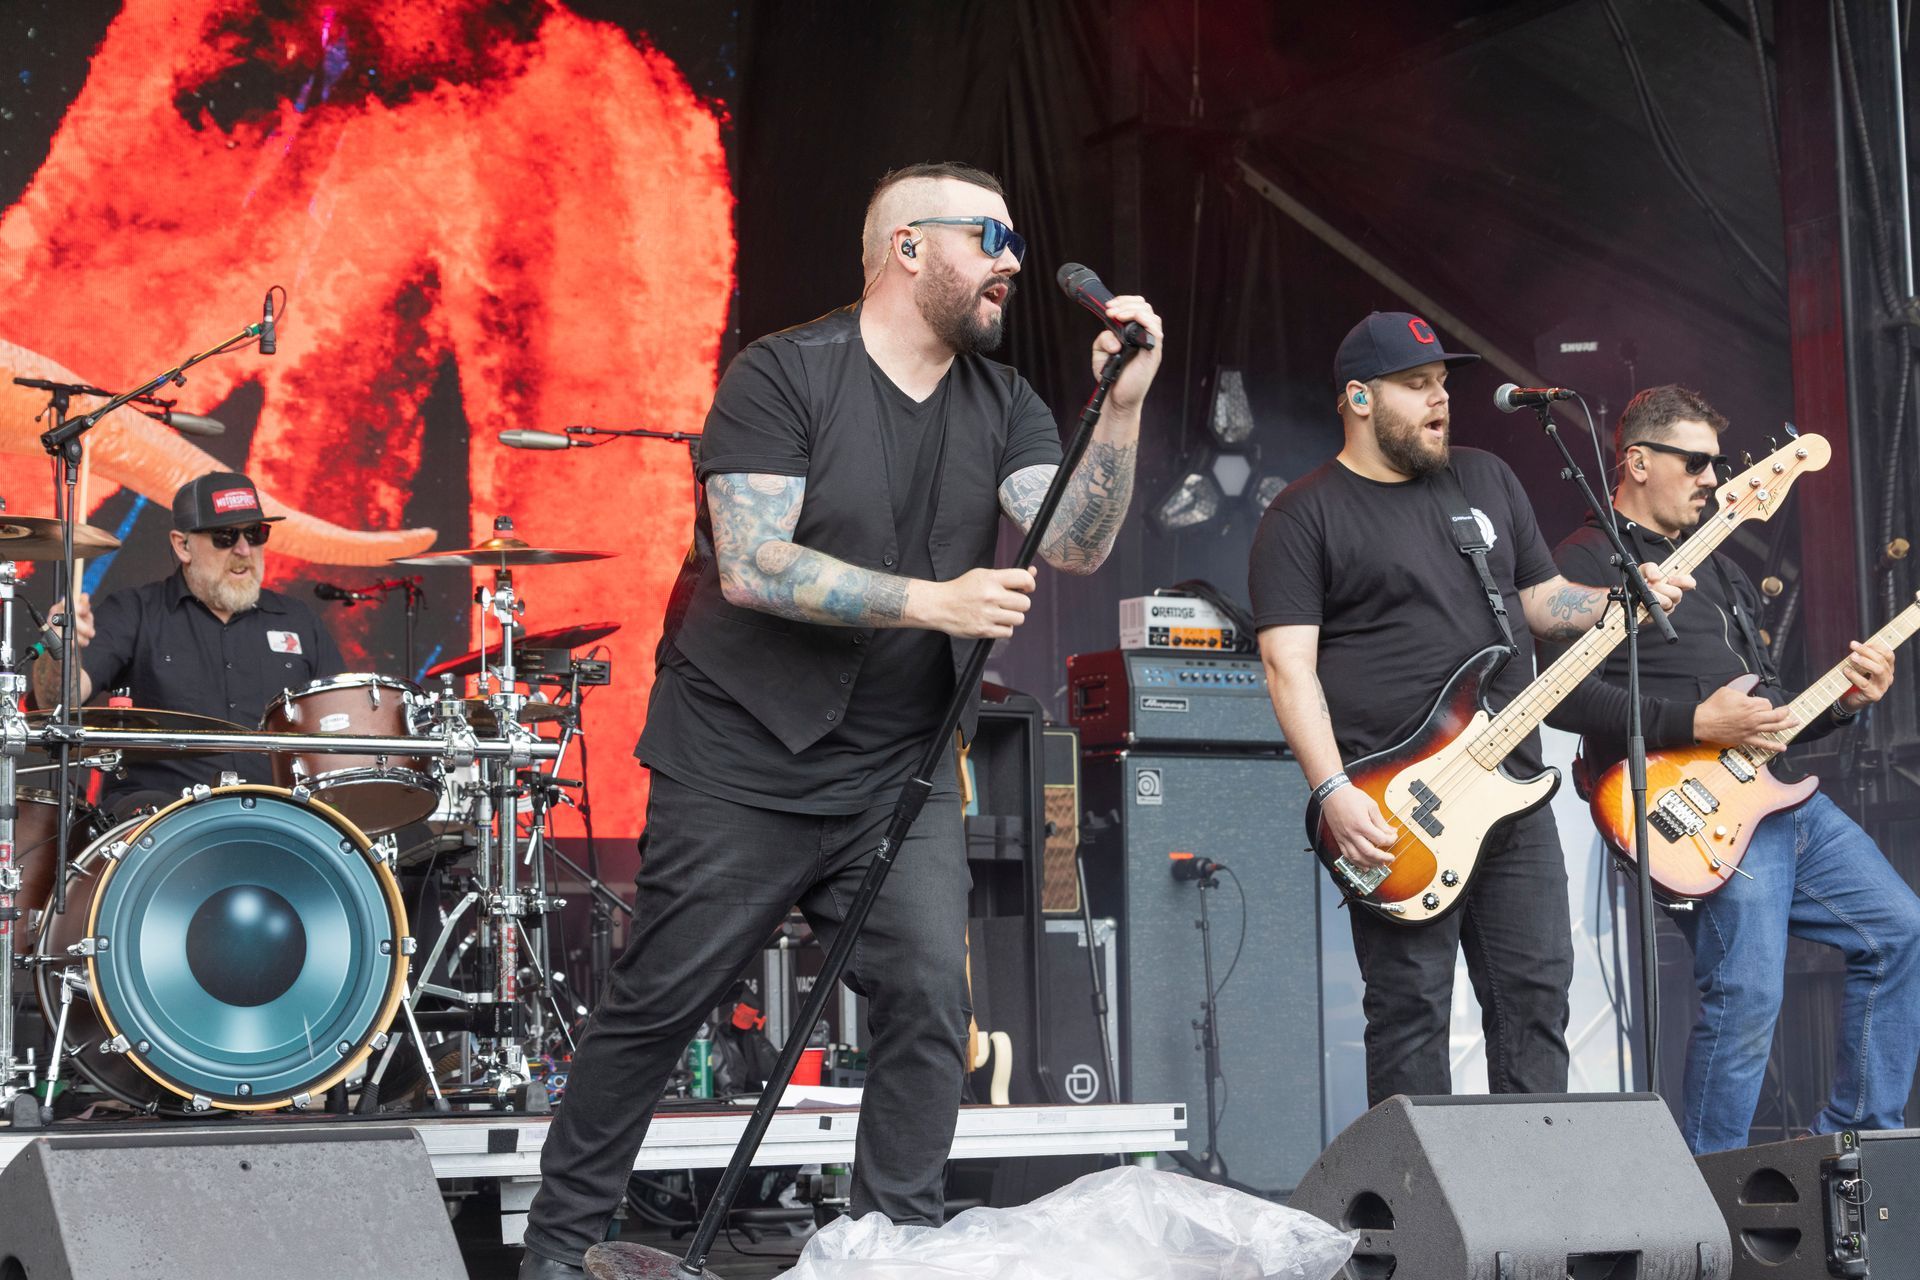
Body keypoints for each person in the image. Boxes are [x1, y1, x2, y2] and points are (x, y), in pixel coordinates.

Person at [519, 161, 1161, 1277]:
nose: (1012, 258)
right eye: (990, 235)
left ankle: (888, 1245)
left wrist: (1125, 407)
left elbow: (1073, 541)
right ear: (909, 248)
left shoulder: (1002, 403)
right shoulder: (783, 372)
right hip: (742, 754)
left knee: (927, 998)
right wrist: (936, 601)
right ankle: (559, 1245)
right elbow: (758, 565)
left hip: (893, 770)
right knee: (658, 1002)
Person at [1249, 311, 1688, 1107]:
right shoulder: (1303, 516)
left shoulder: (1483, 479)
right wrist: (1332, 791)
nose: (1439, 399)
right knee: (1410, 1011)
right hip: (1395, 808)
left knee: (1535, 998)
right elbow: (1287, 668)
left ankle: (1537, 1210)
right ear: (1357, 397)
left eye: (1443, 383)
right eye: (1415, 386)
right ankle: (1419, 1215)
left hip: (1512, 790)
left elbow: (1542, 601)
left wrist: (1618, 593)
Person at [1547, 384, 1920, 1154]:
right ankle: (1708, 1193)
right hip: (1694, 806)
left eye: (1717, 464)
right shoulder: (1583, 562)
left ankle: (1855, 1147)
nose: (1712, 479)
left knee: (1900, 930)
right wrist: (1695, 723)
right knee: (1747, 992)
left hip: (1777, 799)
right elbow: (1561, 700)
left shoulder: (1718, 563)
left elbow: (1769, 711)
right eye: (1696, 462)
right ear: (1638, 462)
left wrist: (1845, 701)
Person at [31, 470, 343, 816]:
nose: (244, 549)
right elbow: (60, 700)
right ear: (183, 545)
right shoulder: (136, 611)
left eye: (255, 534)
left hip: (278, 818)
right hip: (163, 823)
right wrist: (58, 650)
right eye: (225, 536)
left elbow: (342, 724)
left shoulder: (298, 620)